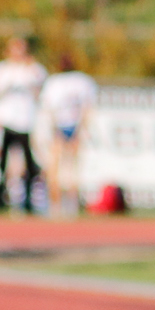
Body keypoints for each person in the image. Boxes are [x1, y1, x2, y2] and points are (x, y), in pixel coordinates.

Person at [0, 35, 50, 215]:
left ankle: (28, 201)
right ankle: (0, 200)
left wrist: (31, 73)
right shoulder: (1, 69)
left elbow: (42, 94)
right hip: (5, 121)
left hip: (26, 123)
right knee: (2, 163)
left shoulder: (34, 69)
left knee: (30, 164)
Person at [40, 55, 99, 218]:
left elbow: (50, 109)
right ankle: (59, 206)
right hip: (66, 127)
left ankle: (65, 206)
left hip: (67, 126)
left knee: (66, 170)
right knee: (62, 169)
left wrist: (77, 131)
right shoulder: (79, 81)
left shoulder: (58, 82)